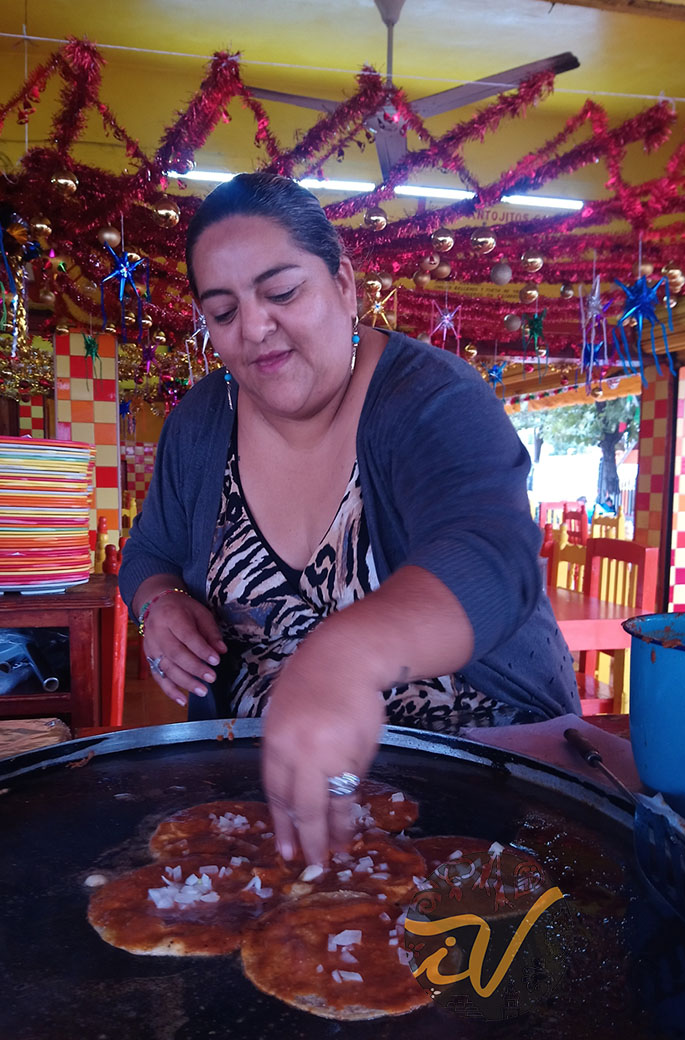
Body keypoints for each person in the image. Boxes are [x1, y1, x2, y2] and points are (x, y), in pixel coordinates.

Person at [118, 172, 580, 868]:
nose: (253, 328)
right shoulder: (200, 421)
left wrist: (338, 660)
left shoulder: (431, 398)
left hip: (483, 785)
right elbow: (148, 549)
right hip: (273, 801)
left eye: (282, 292)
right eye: (221, 311)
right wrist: (160, 603)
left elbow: (491, 557)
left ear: (344, 284)